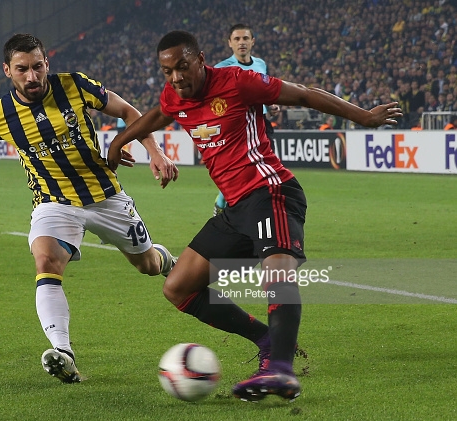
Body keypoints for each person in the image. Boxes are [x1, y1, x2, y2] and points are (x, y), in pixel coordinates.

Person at [107, 30, 401, 402]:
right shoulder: (175, 95)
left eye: (182, 67)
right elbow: (159, 114)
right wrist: (119, 141)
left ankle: (281, 370)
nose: (176, 78)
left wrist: (363, 117)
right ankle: (267, 341)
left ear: (200, 59)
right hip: (233, 210)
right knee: (177, 287)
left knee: (277, 273)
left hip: (270, 192)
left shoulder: (236, 82)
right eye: (167, 72)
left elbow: (305, 94)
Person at [0, 34, 178, 384]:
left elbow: (128, 112)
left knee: (146, 265)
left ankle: (164, 259)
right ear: (7, 70)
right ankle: (62, 352)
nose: (32, 76)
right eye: (22, 69)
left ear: (47, 63)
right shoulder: (0, 114)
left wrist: (155, 152)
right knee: (46, 261)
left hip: (106, 195)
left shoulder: (74, 85)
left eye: (37, 66)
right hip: (53, 202)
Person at [212, 23, 279, 216]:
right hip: (236, 128)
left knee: (268, 169)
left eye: (245, 38)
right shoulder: (221, 69)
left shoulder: (261, 64)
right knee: (237, 173)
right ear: (230, 43)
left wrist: (270, 105)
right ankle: (221, 205)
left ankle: (265, 216)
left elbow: (263, 92)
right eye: (237, 39)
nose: (242, 42)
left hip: (261, 124)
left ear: (252, 42)